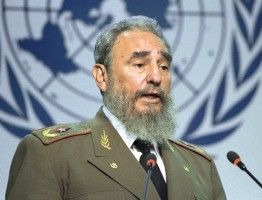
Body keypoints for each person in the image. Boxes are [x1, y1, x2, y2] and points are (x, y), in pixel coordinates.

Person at [6, 16, 226, 200]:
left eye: (164, 66)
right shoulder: (51, 154)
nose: (156, 77)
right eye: (139, 65)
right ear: (102, 76)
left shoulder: (200, 166)